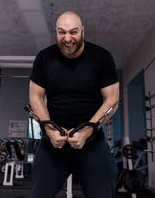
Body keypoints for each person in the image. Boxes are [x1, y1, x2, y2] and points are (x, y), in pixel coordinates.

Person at [29, 11, 119, 198]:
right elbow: (35, 97)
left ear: (83, 31)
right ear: (55, 32)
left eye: (73, 32)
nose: (67, 38)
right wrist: (49, 130)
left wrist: (87, 132)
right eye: (62, 32)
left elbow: (112, 101)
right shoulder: (44, 58)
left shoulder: (101, 57)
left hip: (92, 144)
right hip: (53, 145)